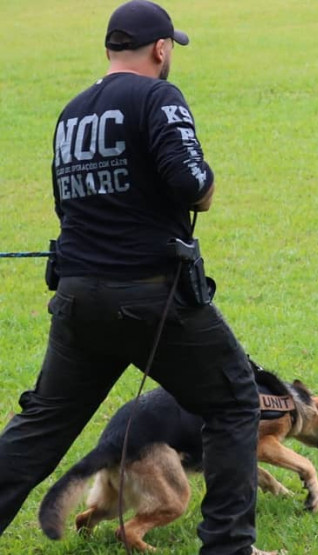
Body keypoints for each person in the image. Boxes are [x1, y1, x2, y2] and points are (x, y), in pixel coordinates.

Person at [0, 2, 277, 553]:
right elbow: (190, 183)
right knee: (234, 402)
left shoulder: (72, 112)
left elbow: (68, 202)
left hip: (79, 296)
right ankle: (229, 546)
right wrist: (205, 186)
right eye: (170, 46)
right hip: (152, 297)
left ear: (109, 50)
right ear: (161, 49)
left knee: (43, 427)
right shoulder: (159, 97)